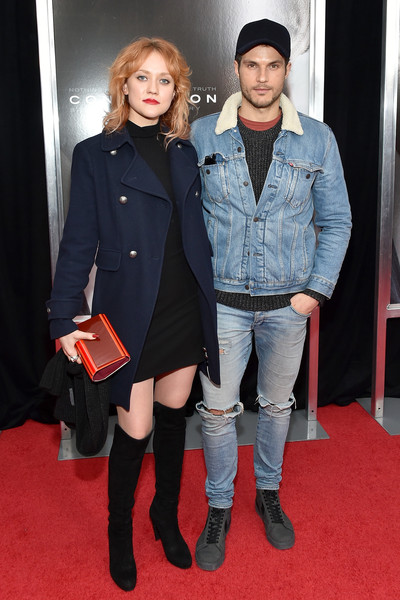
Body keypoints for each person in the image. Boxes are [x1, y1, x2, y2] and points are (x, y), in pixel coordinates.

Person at [46, 37, 220, 591]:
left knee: (173, 420)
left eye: (164, 80)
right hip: (125, 314)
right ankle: (118, 528)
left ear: (176, 91)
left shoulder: (184, 150)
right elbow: (77, 245)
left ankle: (163, 516)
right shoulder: (95, 153)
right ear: (124, 84)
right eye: (142, 78)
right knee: (135, 428)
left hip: (183, 305)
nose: (153, 89)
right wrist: (63, 320)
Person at [191, 18, 352, 571]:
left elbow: (336, 221)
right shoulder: (202, 134)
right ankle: (219, 505)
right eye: (252, 64)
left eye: (274, 64)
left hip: (290, 304)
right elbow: (180, 222)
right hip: (221, 304)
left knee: (278, 406)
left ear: (287, 70)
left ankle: (268, 493)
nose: (262, 76)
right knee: (215, 414)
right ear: (236, 68)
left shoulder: (319, 138)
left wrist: (314, 292)